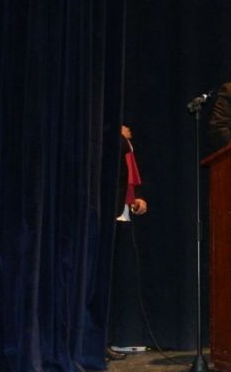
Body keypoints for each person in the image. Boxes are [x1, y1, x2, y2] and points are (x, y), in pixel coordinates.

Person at [106, 125, 148, 362]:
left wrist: (136, 197)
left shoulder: (124, 138)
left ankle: (107, 339)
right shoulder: (111, 135)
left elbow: (127, 172)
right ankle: (98, 340)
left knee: (115, 281)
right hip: (106, 212)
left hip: (122, 211)